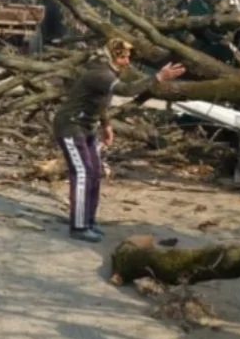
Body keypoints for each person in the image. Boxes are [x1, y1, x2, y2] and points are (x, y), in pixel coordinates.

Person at [52, 38, 186, 243]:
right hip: (70, 126)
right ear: (114, 56)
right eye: (124, 56)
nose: (128, 60)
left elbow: (100, 103)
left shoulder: (107, 72)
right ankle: (78, 226)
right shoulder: (100, 73)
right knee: (82, 172)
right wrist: (157, 77)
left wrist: (106, 124)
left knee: (95, 172)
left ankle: (88, 220)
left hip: (87, 126)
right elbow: (126, 90)